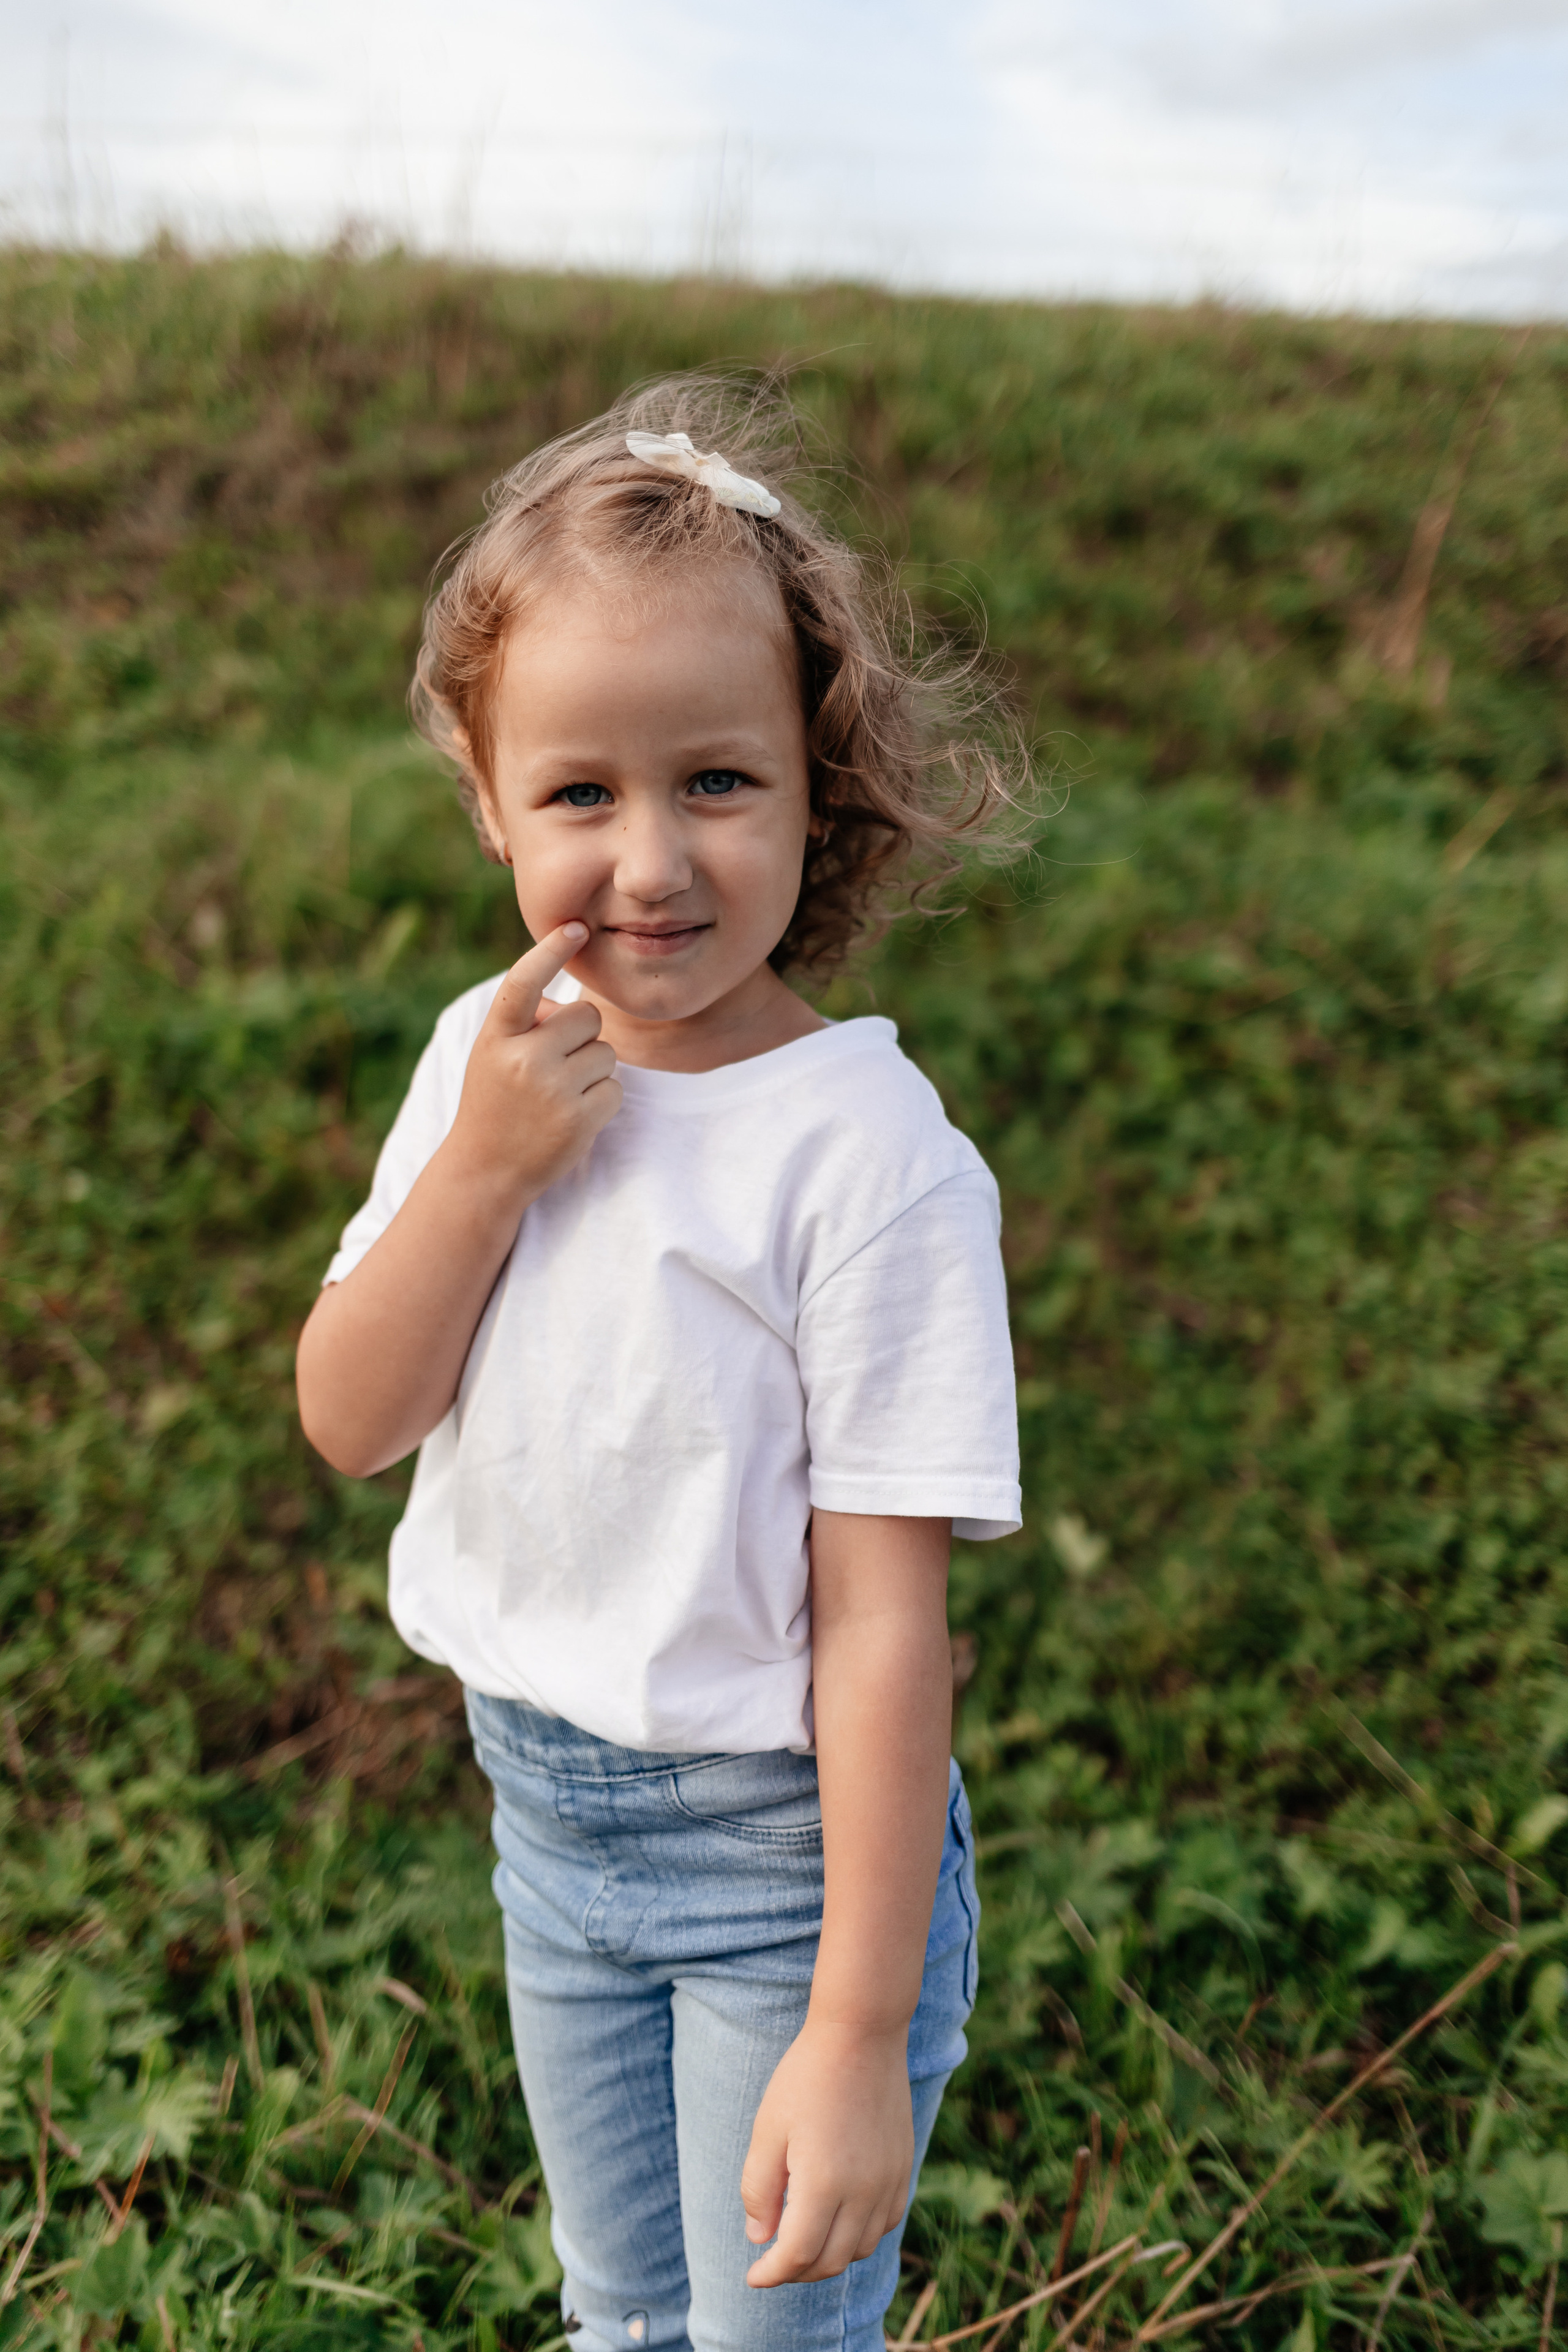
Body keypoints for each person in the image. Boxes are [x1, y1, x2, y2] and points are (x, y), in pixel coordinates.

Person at [295, 376, 1025, 2352]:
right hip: (548, 1819)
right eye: (580, 794)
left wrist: (857, 2029)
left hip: (781, 1868)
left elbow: (885, 1629)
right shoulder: (489, 1066)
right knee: (622, 2316)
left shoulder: (865, 1159)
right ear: (488, 796)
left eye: (717, 783)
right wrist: (482, 1172)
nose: (649, 862)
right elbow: (354, 1419)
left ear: (817, 785)